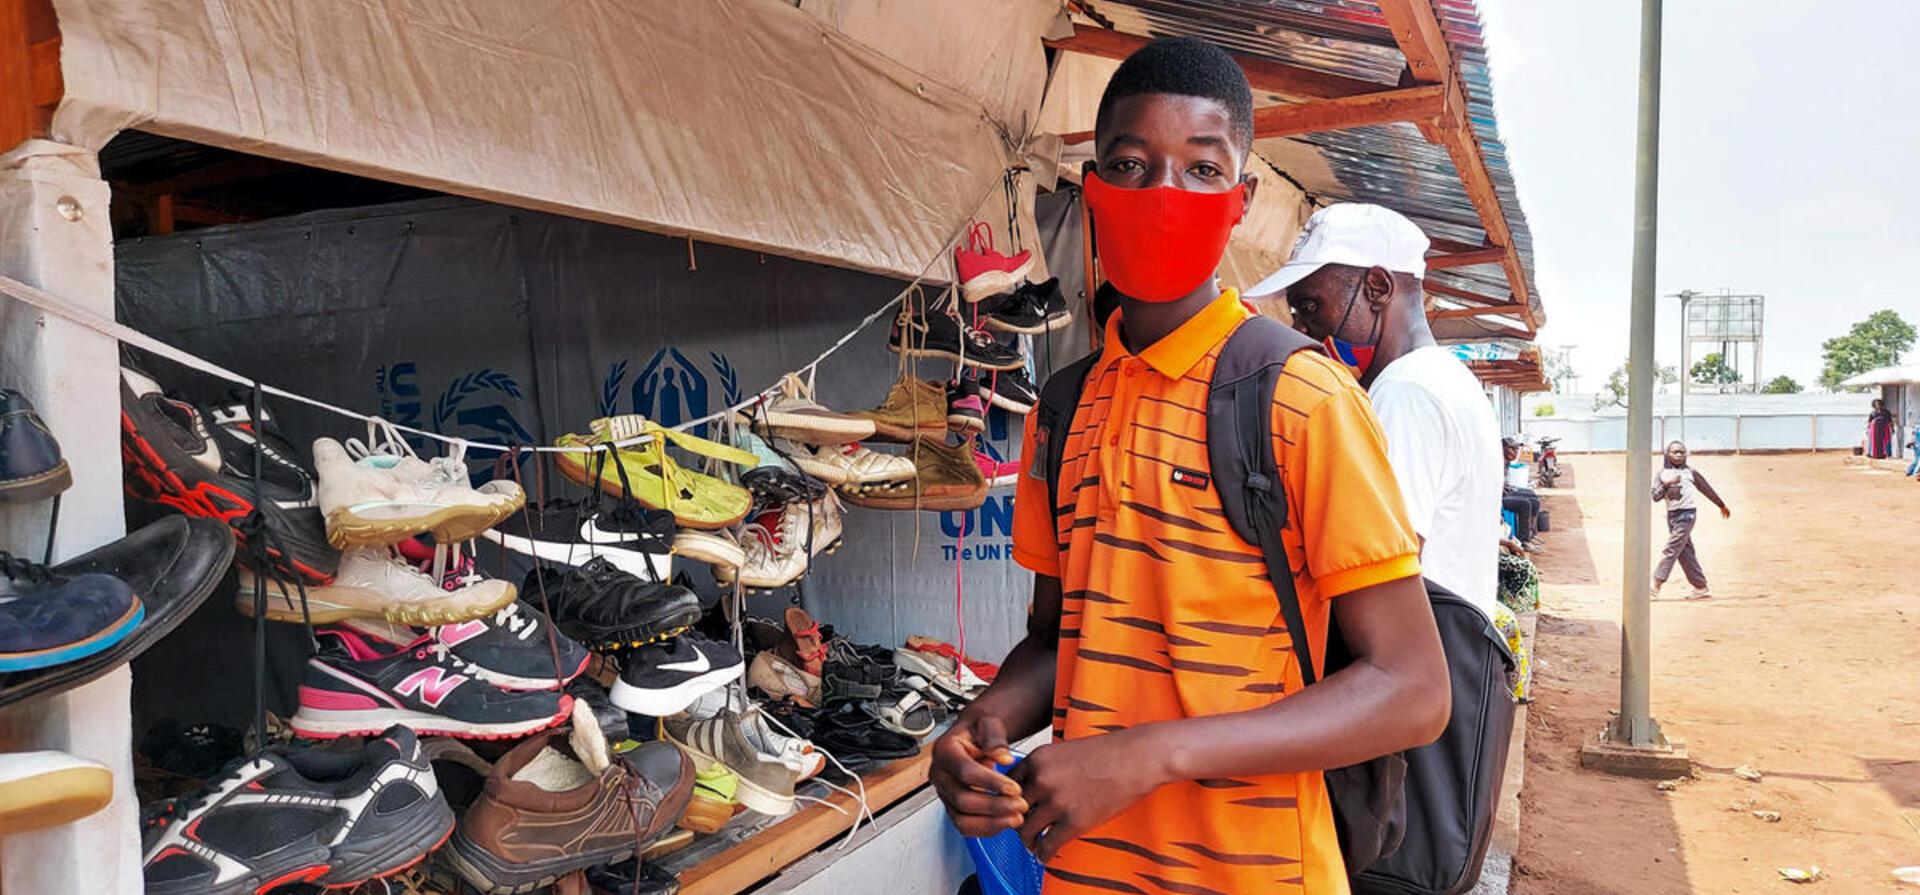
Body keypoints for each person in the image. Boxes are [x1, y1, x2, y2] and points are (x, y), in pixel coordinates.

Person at [931, 37, 1449, 894]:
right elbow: (1061, 637)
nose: (1165, 193)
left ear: (1240, 199)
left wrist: (1152, 754)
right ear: (1093, 188)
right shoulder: (1060, 409)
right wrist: (981, 722)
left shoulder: (1300, 397)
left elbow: (1413, 689)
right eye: (1132, 166)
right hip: (1085, 872)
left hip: (1256, 873)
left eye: (1201, 170)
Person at [1256, 202, 1504, 621]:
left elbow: (1381, 578)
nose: (1302, 331)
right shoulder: (1443, 376)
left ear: (1377, 287)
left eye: (1311, 307)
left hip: (1424, 659)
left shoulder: (1403, 395)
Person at [1652, 440, 1730, 598]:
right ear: (1667, 454)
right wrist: (1667, 484)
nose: (1679, 455)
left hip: (1687, 515)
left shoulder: (1690, 472)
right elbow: (1655, 496)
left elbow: (1706, 488)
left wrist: (1721, 505)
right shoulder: (1662, 474)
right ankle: (1701, 587)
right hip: (1672, 515)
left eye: (1682, 452)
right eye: (1675, 452)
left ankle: (1656, 584)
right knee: (1684, 552)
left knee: (1672, 548)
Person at [1501, 438, 1545, 550]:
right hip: (1496, 498)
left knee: (1533, 499)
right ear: (1504, 449)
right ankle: (1523, 540)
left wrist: (1508, 488)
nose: (1515, 452)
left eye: (1516, 449)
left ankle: (1531, 535)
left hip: (1504, 492)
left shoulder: (1506, 462)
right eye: (1513, 448)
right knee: (1524, 504)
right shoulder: (1497, 462)